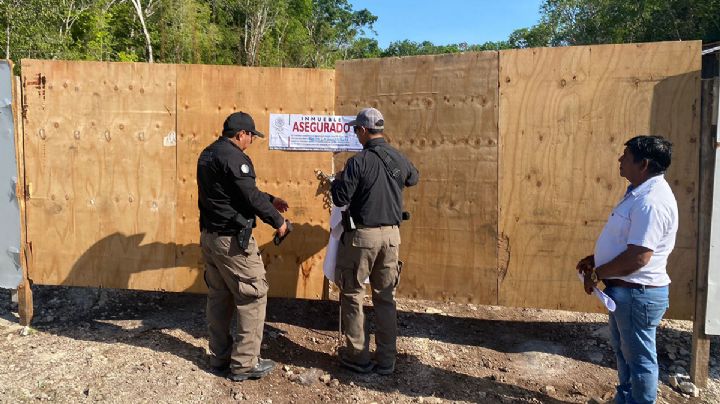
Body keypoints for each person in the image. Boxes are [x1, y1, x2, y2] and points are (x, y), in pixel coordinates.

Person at [576, 135, 678, 404]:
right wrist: (596, 260)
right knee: (625, 354)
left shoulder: (651, 202)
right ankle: (625, 399)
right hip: (627, 293)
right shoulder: (639, 192)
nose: (620, 160)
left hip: (637, 295)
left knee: (640, 361)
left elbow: (638, 257)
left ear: (643, 164)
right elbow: (628, 242)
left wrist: (598, 273)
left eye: (626, 156)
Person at [197, 111, 289, 381]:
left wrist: (270, 198)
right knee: (253, 295)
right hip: (232, 241)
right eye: (251, 136)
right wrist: (278, 222)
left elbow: (232, 191)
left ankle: (220, 357)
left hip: (210, 237)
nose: (252, 141)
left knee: (220, 296)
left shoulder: (208, 153)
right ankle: (245, 364)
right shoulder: (235, 157)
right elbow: (248, 195)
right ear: (241, 134)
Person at [331, 107, 420, 375]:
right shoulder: (397, 157)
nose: (355, 134)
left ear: (363, 130)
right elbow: (413, 177)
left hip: (362, 238)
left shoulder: (358, 162)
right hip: (392, 237)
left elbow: (340, 199)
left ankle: (357, 357)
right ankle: (386, 360)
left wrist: (337, 182)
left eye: (356, 130)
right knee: (385, 298)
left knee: (353, 294)